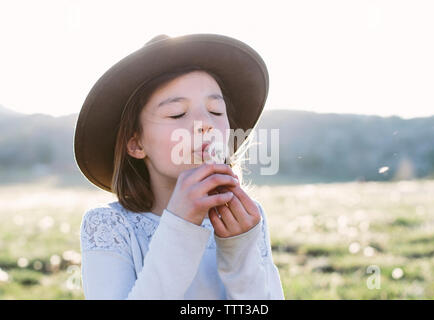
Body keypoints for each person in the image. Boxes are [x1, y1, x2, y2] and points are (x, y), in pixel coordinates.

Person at [74, 33, 284, 300]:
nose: (205, 123)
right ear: (136, 144)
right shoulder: (109, 226)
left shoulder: (248, 219)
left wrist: (240, 252)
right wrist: (181, 225)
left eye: (216, 111)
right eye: (177, 114)